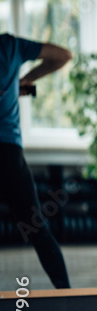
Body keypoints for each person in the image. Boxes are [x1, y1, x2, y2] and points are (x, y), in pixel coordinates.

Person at [0, 34, 72, 289]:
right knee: (36, 229)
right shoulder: (10, 46)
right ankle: (67, 297)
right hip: (8, 153)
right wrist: (26, 79)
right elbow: (63, 55)